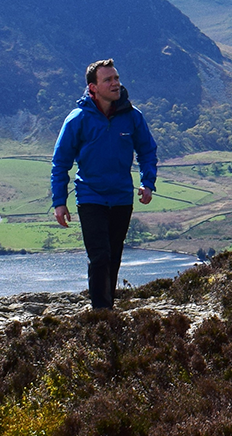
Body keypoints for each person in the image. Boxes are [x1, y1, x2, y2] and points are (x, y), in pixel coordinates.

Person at [51, 59, 157, 309]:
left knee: (114, 257)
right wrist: (59, 202)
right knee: (99, 256)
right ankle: (100, 312)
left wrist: (148, 182)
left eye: (117, 78)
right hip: (91, 197)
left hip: (121, 197)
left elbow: (147, 151)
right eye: (108, 79)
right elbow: (60, 162)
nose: (115, 83)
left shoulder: (132, 116)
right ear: (93, 88)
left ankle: (106, 308)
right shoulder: (78, 119)